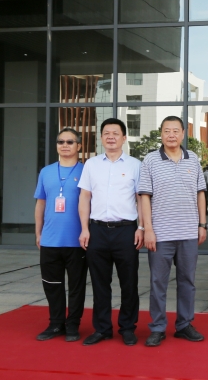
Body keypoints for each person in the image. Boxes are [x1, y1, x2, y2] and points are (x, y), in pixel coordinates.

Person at [139, 116, 208, 347]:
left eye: (175, 131)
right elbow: (144, 196)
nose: (171, 135)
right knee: (158, 282)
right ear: (161, 133)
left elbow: (200, 193)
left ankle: (184, 325)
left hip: (188, 232)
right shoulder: (150, 160)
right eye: (167, 130)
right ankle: (158, 327)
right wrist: (148, 229)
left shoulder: (193, 159)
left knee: (187, 281)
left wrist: (202, 224)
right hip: (160, 234)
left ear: (183, 134)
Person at [78, 118, 144, 346]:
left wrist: (142, 227)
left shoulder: (135, 165)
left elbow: (141, 199)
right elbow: (84, 197)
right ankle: (102, 328)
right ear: (101, 137)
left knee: (129, 282)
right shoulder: (91, 164)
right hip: (97, 230)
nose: (111, 137)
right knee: (99, 283)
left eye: (115, 133)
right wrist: (84, 229)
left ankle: (128, 328)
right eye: (106, 133)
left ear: (124, 138)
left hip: (126, 231)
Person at [33, 128, 88, 342]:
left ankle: (73, 324)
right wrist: (38, 232)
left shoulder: (86, 171)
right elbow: (41, 203)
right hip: (50, 239)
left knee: (76, 287)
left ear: (79, 146)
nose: (65, 145)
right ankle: (56, 324)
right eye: (61, 141)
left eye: (70, 142)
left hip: (77, 240)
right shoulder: (46, 172)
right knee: (52, 284)